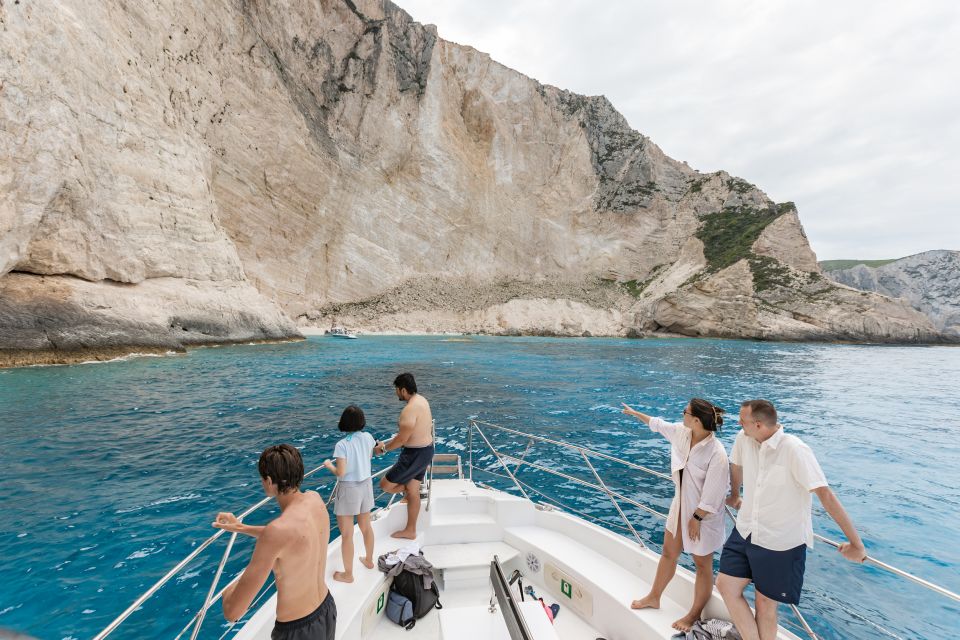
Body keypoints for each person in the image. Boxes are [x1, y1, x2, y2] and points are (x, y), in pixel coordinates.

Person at [716, 400, 866, 640]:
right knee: (726, 585)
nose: (738, 423)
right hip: (746, 529)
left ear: (758, 424)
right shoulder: (743, 438)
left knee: (765, 604)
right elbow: (736, 464)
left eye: (742, 420)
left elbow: (825, 495)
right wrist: (735, 495)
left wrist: (855, 544)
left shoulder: (795, 450)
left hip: (780, 540)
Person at [623, 399, 731, 633]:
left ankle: (693, 615)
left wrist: (697, 518)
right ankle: (654, 596)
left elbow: (714, 494)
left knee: (702, 565)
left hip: (703, 516)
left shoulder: (717, 453)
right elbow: (657, 424)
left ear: (696, 420)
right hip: (680, 505)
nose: (681, 414)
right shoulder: (682, 433)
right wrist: (634, 412)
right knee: (668, 552)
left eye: (686, 412)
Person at [213, 444, 335, 640]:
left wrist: (227, 592)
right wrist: (241, 527)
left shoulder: (277, 531)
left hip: (297, 630)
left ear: (269, 481)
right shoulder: (315, 499)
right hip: (326, 610)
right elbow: (293, 538)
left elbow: (233, 612)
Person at [323, 405, 377, 583]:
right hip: (366, 485)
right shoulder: (369, 437)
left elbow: (341, 472)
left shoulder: (342, 445)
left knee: (347, 534)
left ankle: (348, 574)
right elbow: (368, 456)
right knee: (366, 527)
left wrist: (329, 465)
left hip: (349, 489)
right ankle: (369, 560)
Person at [376, 372, 434, 540]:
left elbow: (402, 439)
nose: (396, 392)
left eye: (396, 389)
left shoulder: (408, 410)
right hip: (426, 450)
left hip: (414, 454)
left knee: (385, 485)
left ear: (402, 390)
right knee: (414, 492)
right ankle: (410, 530)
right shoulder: (422, 400)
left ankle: (407, 491)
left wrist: (384, 449)